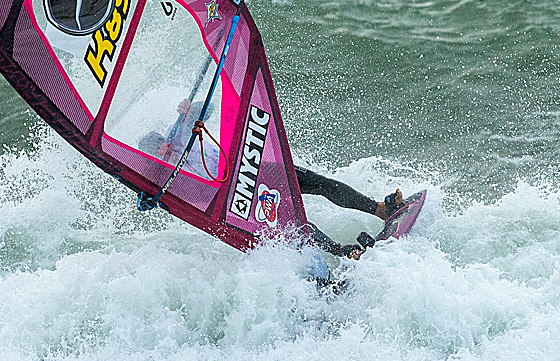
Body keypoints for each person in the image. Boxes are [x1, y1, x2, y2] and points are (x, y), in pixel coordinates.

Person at [142, 98, 404, 281]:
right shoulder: (166, 178)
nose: (163, 152)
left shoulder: (179, 132)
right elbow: (165, 199)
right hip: (240, 195)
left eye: (161, 147)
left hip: (249, 166)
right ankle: (345, 252)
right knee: (295, 226)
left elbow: (208, 108)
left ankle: (379, 209)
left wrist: (190, 111)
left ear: (163, 139)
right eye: (156, 154)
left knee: (317, 182)